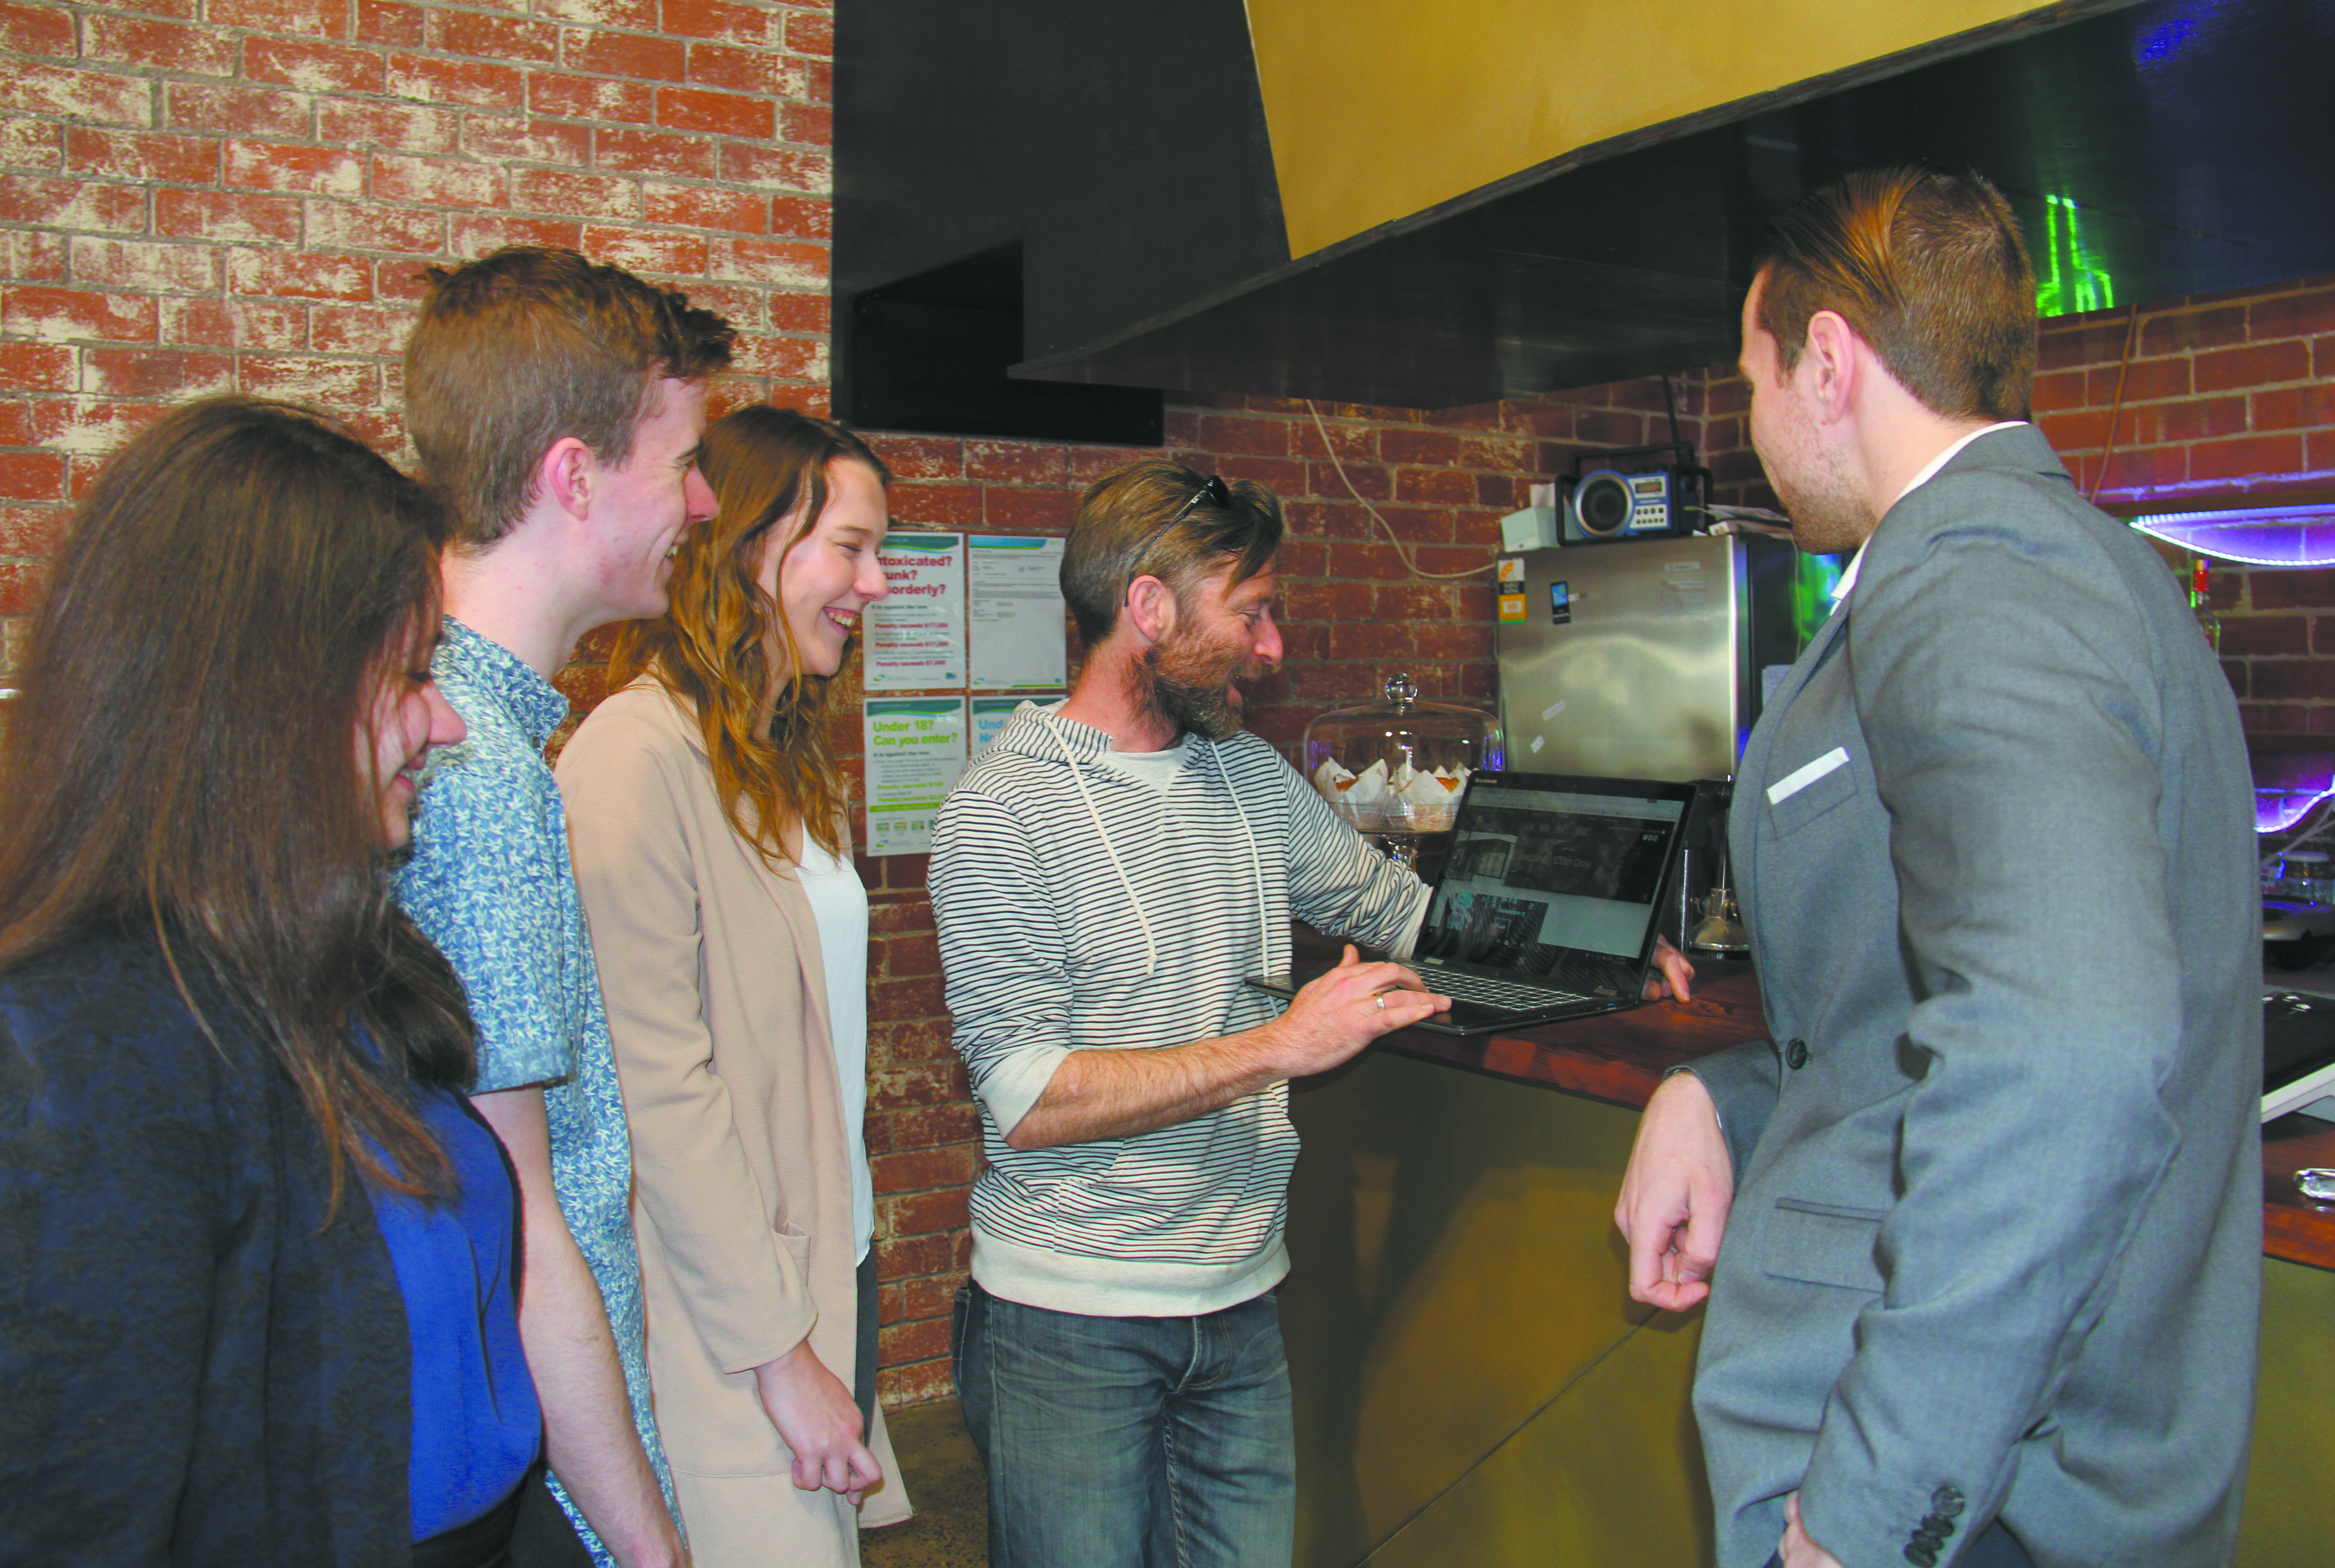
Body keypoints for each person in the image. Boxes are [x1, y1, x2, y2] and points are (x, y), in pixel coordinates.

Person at [1613, 166, 2260, 1568]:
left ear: (1828, 363)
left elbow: (2072, 1050)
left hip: (1978, 1494)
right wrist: (1721, 1101)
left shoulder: (1978, 578)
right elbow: (1913, 1011)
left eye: (1753, 380)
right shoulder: (2058, 566)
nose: (1755, 430)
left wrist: (1867, 1508)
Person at [930, 457, 1694, 1565]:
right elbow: (1026, 1099)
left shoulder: (1245, 776)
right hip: (1069, 1325)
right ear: (1148, 608)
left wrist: (1599, 941)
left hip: (1242, 1306)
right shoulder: (1001, 813)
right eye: (1251, 613)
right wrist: (1285, 1046)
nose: (1273, 646)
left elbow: (1404, 909)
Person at [0, 396, 581, 1565]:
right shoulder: (79, 1053)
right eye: (411, 675)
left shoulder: (345, 974)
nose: (448, 722)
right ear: (269, 697)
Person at [395, 247, 736, 1568]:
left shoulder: (442, 723)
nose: (702, 502)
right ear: (575, 474)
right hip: (532, 1482)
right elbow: (527, 1222)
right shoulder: (475, 770)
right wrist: (646, 1542)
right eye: (682, 461)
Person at [556, 405, 913, 1562]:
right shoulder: (631, 754)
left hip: (829, 1260)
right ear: (753, 545)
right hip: (730, 1311)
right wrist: (778, 1353)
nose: (878, 583)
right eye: (851, 548)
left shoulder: (786, 765)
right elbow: (659, 1087)